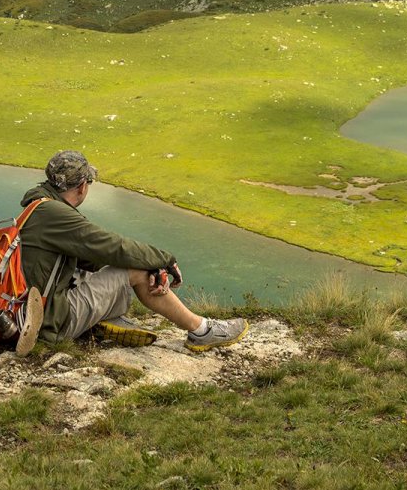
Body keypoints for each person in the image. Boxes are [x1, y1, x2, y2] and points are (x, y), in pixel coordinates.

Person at [15, 149, 249, 353]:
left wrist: (150, 264)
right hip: (52, 323)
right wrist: (164, 260)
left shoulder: (36, 206)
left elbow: (92, 258)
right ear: (82, 186)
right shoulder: (55, 214)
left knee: (114, 266)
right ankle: (202, 330)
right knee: (136, 270)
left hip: (30, 312)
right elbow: (112, 246)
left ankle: (99, 318)